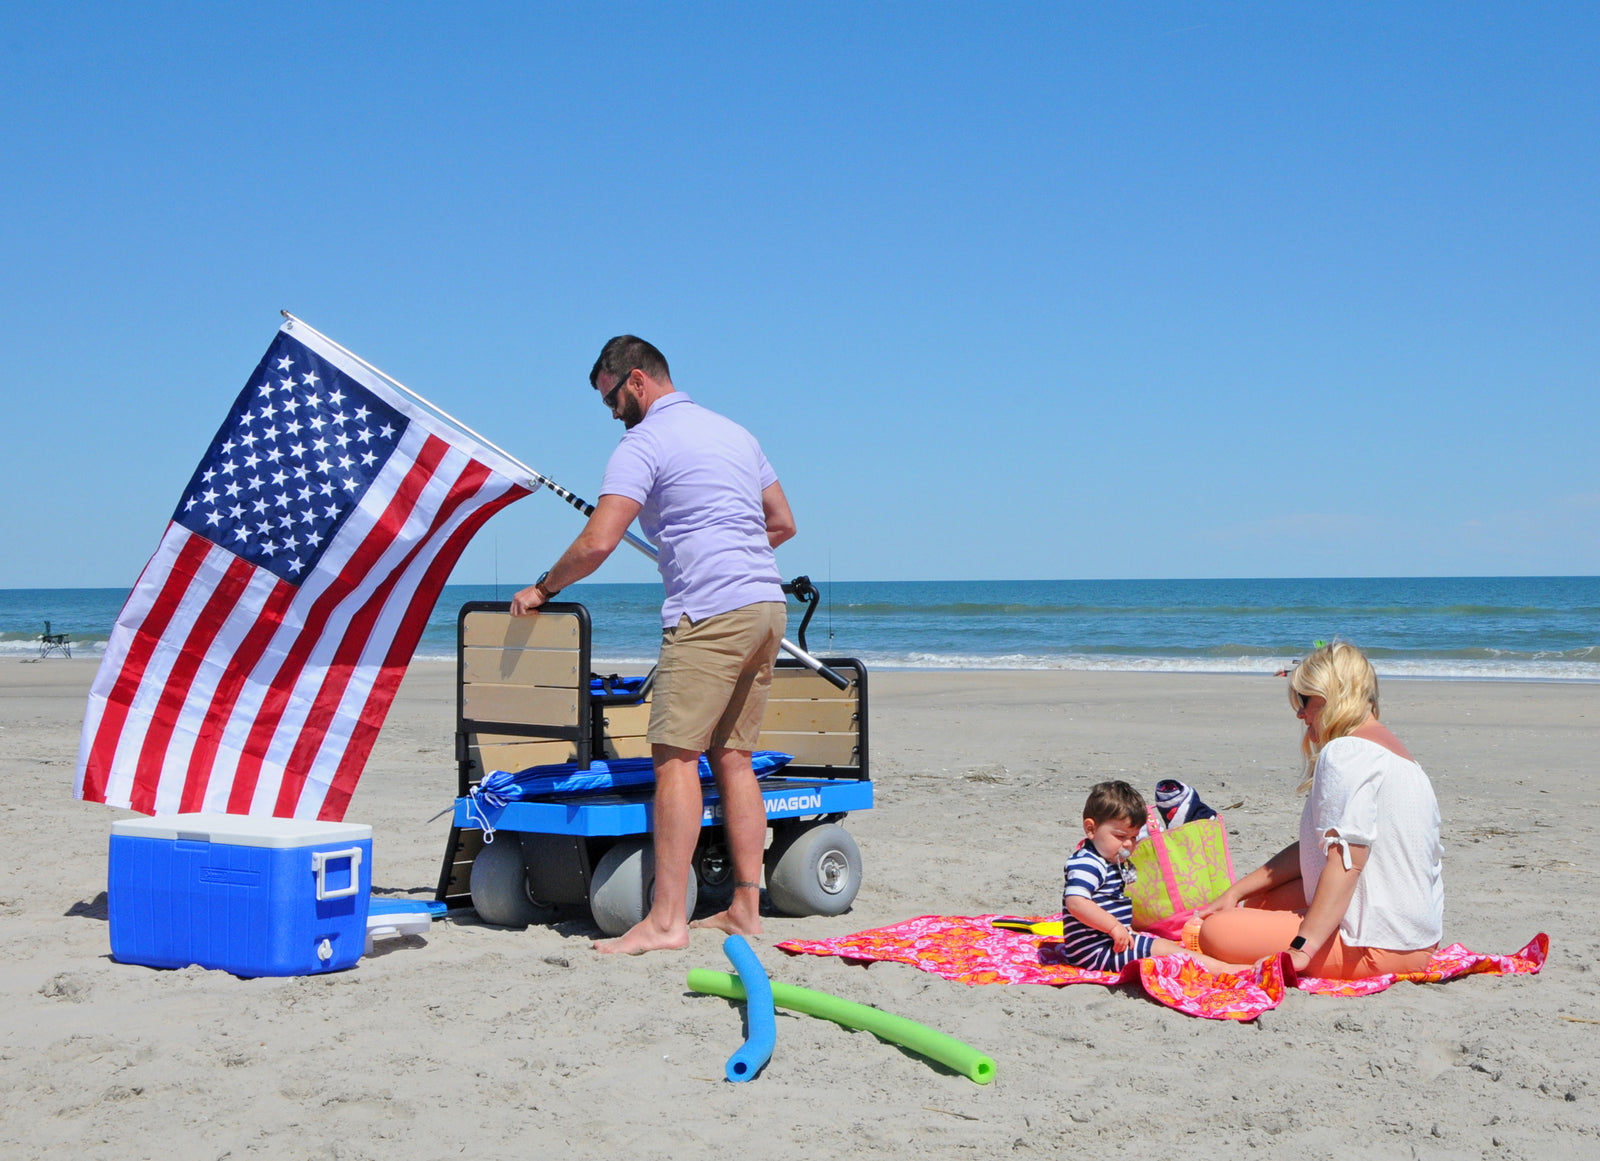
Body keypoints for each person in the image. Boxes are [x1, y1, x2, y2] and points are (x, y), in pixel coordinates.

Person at [510, 336, 795, 955]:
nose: (611, 412)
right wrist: (722, 550)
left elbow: (598, 541)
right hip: (765, 605)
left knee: (673, 758)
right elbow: (782, 522)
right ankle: (745, 909)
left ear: (636, 381)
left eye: (611, 398)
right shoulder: (735, 433)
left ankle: (666, 921)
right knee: (734, 757)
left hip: (710, 613)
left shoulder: (643, 443)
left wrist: (542, 588)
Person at [1194, 641, 1444, 979]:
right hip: (1417, 938)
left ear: (1329, 697)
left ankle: (1303, 946)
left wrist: (1302, 948)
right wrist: (1236, 892)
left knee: (1215, 932)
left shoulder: (1346, 752)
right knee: (1259, 902)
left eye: (1304, 700)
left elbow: (1348, 862)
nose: (1299, 714)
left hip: (1375, 944)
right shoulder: (1402, 758)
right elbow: (1316, 849)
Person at [1058, 781, 1243, 974]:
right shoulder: (1087, 863)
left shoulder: (1108, 859)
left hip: (1107, 942)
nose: (1128, 845)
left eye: (1134, 837)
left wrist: (1123, 928)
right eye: (1120, 836)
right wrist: (1113, 927)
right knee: (1165, 950)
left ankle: (1217, 965)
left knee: (1163, 946)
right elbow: (1076, 902)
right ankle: (1225, 970)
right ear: (1091, 829)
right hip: (1094, 950)